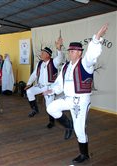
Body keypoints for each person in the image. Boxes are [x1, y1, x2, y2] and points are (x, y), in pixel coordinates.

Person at [43, 24, 108, 163]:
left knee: (80, 131)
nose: (70, 52)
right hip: (68, 98)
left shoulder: (86, 63)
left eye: (73, 51)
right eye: (70, 50)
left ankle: (84, 155)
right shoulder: (66, 66)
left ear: (79, 52)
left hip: (81, 101)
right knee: (51, 108)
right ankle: (68, 125)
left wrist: (96, 39)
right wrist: (53, 90)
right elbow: (60, 83)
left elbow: (91, 55)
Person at [25, 36, 64, 129]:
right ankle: (35, 109)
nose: (41, 54)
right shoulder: (39, 63)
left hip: (49, 87)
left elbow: (60, 58)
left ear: (48, 55)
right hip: (40, 86)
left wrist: (58, 48)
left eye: (43, 53)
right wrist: (28, 83)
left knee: (49, 106)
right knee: (29, 92)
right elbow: (34, 74)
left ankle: (52, 122)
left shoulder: (54, 62)